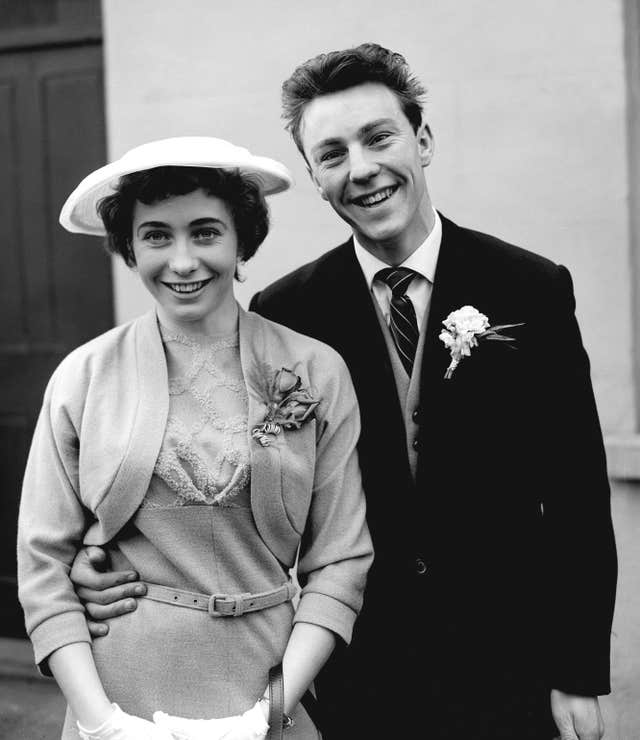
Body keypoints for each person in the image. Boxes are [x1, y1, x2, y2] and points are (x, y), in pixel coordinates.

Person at [70, 45, 617, 740]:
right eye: (331, 155)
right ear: (314, 177)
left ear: (422, 140)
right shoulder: (286, 312)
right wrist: (104, 555)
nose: (360, 169)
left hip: (510, 663)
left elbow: (575, 493)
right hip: (354, 668)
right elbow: (225, 472)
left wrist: (576, 670)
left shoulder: (530, 288)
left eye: (379, 138)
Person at [17, 136, 373, 740]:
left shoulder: (314, 371)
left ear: (241, 243)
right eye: (156, 235)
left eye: (205, 232)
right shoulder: (83, 376)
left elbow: (340, 560)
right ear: (129, 248)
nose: (182, 261)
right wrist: (104, 725)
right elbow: (44, 569)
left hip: (265, 687)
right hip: (118, 691)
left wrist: (274, 708)